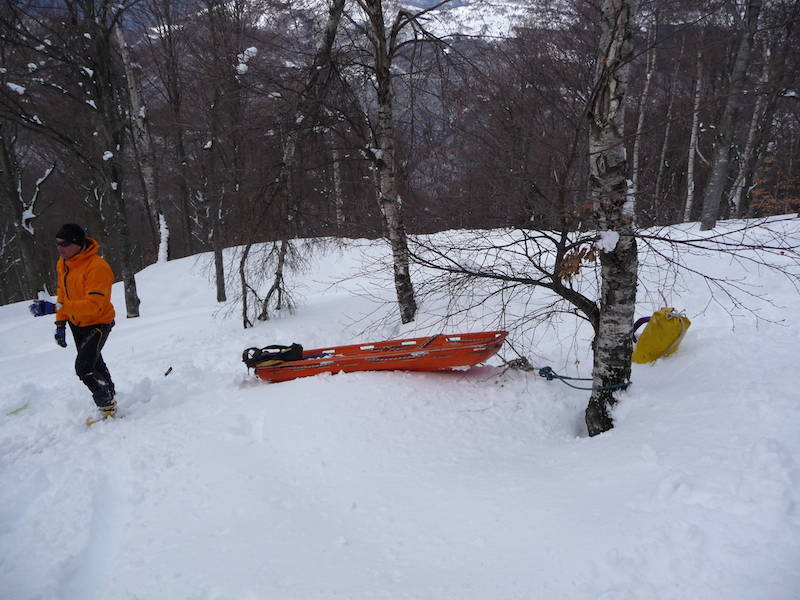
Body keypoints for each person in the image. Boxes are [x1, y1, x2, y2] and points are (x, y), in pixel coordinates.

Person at [30, 224, 117, 424]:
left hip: (98, 322)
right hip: (76, 322)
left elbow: (94, 305)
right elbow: (62, 293)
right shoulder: (64, 263)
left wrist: (54, 309)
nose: (60, 248)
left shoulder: (97, 268)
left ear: (77, 244)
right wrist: (60, 324)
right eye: (57, 244)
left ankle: (107, 406)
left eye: (65, 244)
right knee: (95, 362)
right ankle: (110, 395)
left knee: (84, 367)